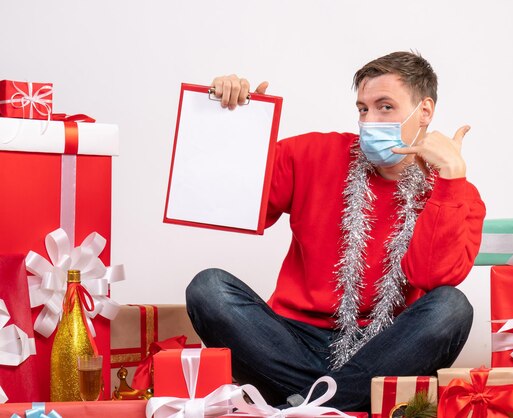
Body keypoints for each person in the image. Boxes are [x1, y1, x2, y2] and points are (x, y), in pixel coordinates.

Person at [186, 51, 486, 412]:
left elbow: (432, 275)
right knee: (209, 288)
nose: (369, 121)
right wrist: (235, 121)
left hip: (384, 348)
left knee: (451, 308)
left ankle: (306, 404)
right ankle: (336, 404)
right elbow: (236, 204)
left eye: (385, 107)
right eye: (363, 109)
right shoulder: (313, 153)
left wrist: (451, 177)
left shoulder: (457, 194)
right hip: (290, 341)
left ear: (424, 111)